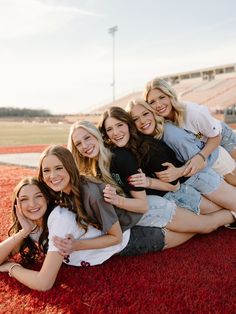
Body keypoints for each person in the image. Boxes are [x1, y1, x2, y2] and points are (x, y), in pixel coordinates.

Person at [98, 106, 236, 231]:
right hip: (183, 184)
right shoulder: (123, 148)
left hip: (187, 187)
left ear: (128, 125)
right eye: (110, 129)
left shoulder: (149, 148)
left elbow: (174, 185)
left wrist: (147, 182)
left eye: (119, 125)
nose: (115, 132)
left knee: (221, 214)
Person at [0, 177, 129, 291]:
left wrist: (12, 268)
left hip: (128, 241)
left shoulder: (60, 219)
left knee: (147, 220)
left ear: (47, 198)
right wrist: (23, 232)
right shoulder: (32, 224)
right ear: (17, 205)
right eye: (24, 199)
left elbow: (43, 283)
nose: (32, 204)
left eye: (38, 196)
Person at [143, 78, 236, 185]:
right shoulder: (162, 122)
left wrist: (200, 157)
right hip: (204, 140)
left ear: (170, 96)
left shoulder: (191, 112)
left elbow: (216, 136)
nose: (158, 105)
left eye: (162, 97)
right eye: (152, 102)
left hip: (220, 136)